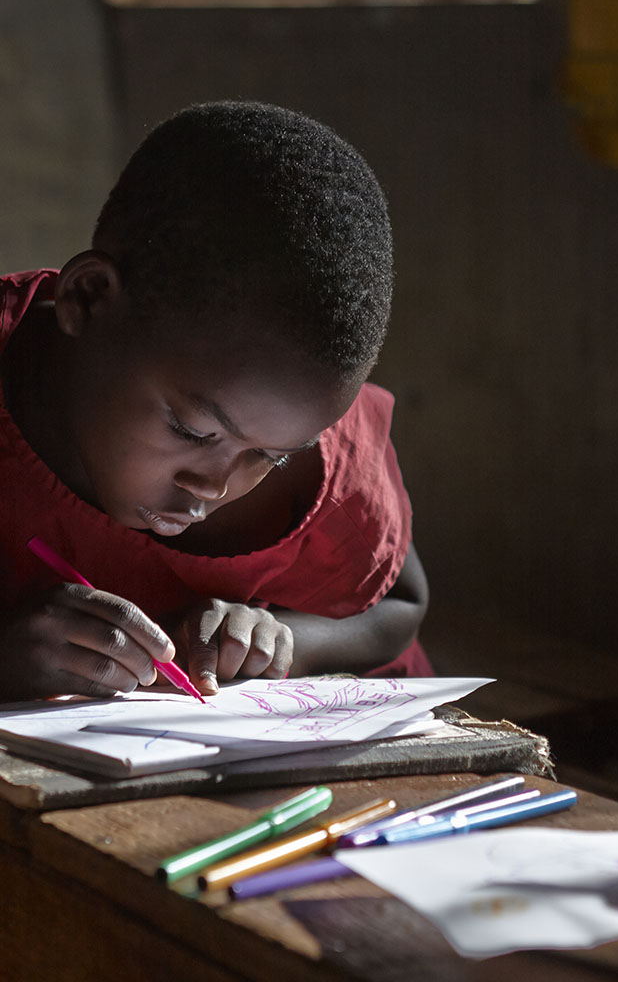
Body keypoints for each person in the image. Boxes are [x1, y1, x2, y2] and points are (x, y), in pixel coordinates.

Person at [0, 100, 431, 703]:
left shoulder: (313, 439)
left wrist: (283, 641)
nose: (214, 487)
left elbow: (402, 604)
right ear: (90, 299)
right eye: (193, 430)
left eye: (271, 457)